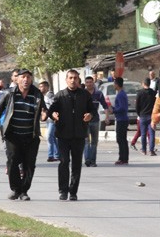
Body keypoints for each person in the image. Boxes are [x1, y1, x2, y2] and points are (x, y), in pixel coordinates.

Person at [0, 69, 47, 201]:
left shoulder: (36, 94)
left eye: (28, 77)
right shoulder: (8, 93)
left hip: (30, 136)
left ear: (31, 80)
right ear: (17, 79)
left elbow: (43, 109)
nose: (26, 80)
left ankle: (24, 191)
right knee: (12, 163)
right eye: (23, 77)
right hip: (12, 135)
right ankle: (16, 189)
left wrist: (45, 114)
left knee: (29, 165)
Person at [48, 70, 94, 201]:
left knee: (76, 164)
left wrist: (90, 115)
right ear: (66, 80)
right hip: (63, 135)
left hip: (79, 135)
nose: (73, 80)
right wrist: (53, 115)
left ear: (79, 80)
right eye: (70, 78)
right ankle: (63, 190)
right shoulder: (60, 95)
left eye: (75, 78)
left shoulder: (84, 95)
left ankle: (73, 191)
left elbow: (93, 110)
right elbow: (52, 110)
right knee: (64, 162)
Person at [83, 76, 110, 167]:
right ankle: (87, 159)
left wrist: (107, 117)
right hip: (85, 121)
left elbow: (105, 106)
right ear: (85, 83)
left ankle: (93, 161)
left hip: (95, 121)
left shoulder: (98, 94)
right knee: (86, 141)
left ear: (93, 83)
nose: (89, 84)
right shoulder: (82, 93)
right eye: (87, 82)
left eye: (91, 82)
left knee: (94, 142)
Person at [38, 80, 59, 162]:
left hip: (52, 120)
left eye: (42, 86)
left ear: (47, 87)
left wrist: (54, 116)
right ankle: (57, 154)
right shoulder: (43, 96)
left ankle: (51, 155)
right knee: (53, 138)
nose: (40, 88)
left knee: (49, 136)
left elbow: (55, 106)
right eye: (39, 86)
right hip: (48, 120)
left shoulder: (49, 95)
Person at [135, 78, 157, 156]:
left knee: (143, 134)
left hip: (143, 115)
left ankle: (144, 150)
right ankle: (151, 150)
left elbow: (137, 106)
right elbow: (156, 104)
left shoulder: (140, 93)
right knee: (151, 134)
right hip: (151, 115)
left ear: (143, 83)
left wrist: (139, 114)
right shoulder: (153, 93)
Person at [113, 77, 129, 165]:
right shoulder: (121, 93)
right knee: (122, 139)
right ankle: (124, 158)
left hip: (121, 119)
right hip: (121, 119)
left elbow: (122, 108)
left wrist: (114, 110)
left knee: (121, 139)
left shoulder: (120, 95)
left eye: (114, 83)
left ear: (117, 84)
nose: (113, 85)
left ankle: (123, 158)